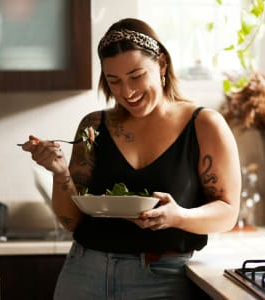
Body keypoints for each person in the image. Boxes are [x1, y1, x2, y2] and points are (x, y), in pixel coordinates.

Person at [21, 18, 241, 300]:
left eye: (137, 76)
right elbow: (72, 221)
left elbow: (227, 213)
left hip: (163, 279)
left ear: (161, 64)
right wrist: (60, 172)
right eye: (115, 81)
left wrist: (178, 217)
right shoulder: (94, 126)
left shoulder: (204, 125)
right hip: (83, 273)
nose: (127, 92)